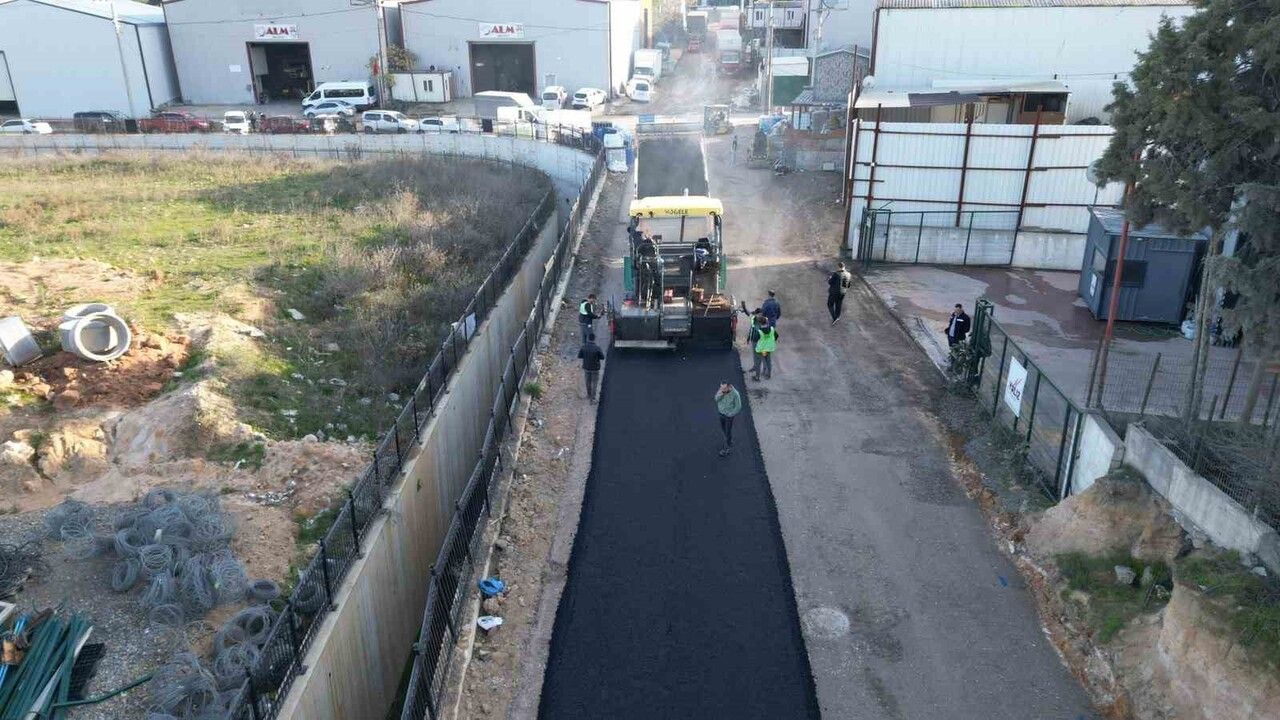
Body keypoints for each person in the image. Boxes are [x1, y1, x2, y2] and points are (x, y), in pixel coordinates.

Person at [714, 381, 742, 457]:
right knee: (724, 429)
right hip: (721, 414)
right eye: (721, 387)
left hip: (729, 416)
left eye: (724, 388)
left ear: (729, 387)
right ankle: (729, 440)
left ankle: (726, 449)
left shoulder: (735, 394)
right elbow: (716, 399)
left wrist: (731, 414)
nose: (722, 389)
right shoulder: (721, 390)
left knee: (727, 431)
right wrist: (721, 394)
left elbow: (738, 406)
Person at [578, 333, 605, 402]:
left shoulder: (584, 347)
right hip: (595, 368)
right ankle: (593, 398)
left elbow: (579, 356)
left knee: (587, 381)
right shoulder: (597, 348)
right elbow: (602, 357)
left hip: (586, 368)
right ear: (594, 339)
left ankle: (588, 395)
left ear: (588, 339)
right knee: (594, 383)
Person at [752, 316, 778, 381]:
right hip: (768, 349)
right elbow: (776, 336)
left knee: (758, 362)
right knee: (768, 361)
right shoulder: (772, 329)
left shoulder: (759, 331)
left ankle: (757, 377)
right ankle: (768, 375)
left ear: (760, 323)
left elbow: (754, 339)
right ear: (766, 322)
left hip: (760, 349)